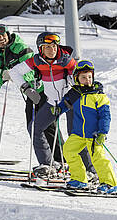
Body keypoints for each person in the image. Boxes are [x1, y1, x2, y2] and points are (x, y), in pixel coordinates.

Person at [8, 32, 96, 177]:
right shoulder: (37, 61)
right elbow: (14, 71)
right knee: (35, 128)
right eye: (47, 47)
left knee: (76, 135)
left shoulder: (66, 60)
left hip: (71, 102)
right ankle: (47, 164)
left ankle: (90, 171)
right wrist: (26, 88)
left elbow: (83, 77)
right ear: (40, 48)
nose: (52, 49)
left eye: (54, 46)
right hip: (52, 102)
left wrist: (73, 80)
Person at [0, 24, 62, 163]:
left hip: (43, 92)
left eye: (2, 35)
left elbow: (32, 72)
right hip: (30, 95)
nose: (1, 39)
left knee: (49, 128)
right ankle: (49, 162)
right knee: (32, 127)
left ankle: (62, 161)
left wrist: (13, 75)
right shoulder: (1, 56)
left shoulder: (20, 48)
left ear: (8, 35)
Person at [51, 60, 117, 193]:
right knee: (68, 151)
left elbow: (105, 116)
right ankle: (79, 179)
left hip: (93, 134)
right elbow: (65, 103)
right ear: (77, 78)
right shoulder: (75, 93)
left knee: (98, 158)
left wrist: (102, 132)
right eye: (83, 77)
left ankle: (109, 183)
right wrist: (58, 109)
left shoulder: (98, 95)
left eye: (89, 77)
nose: (87, 80)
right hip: (78, 133)